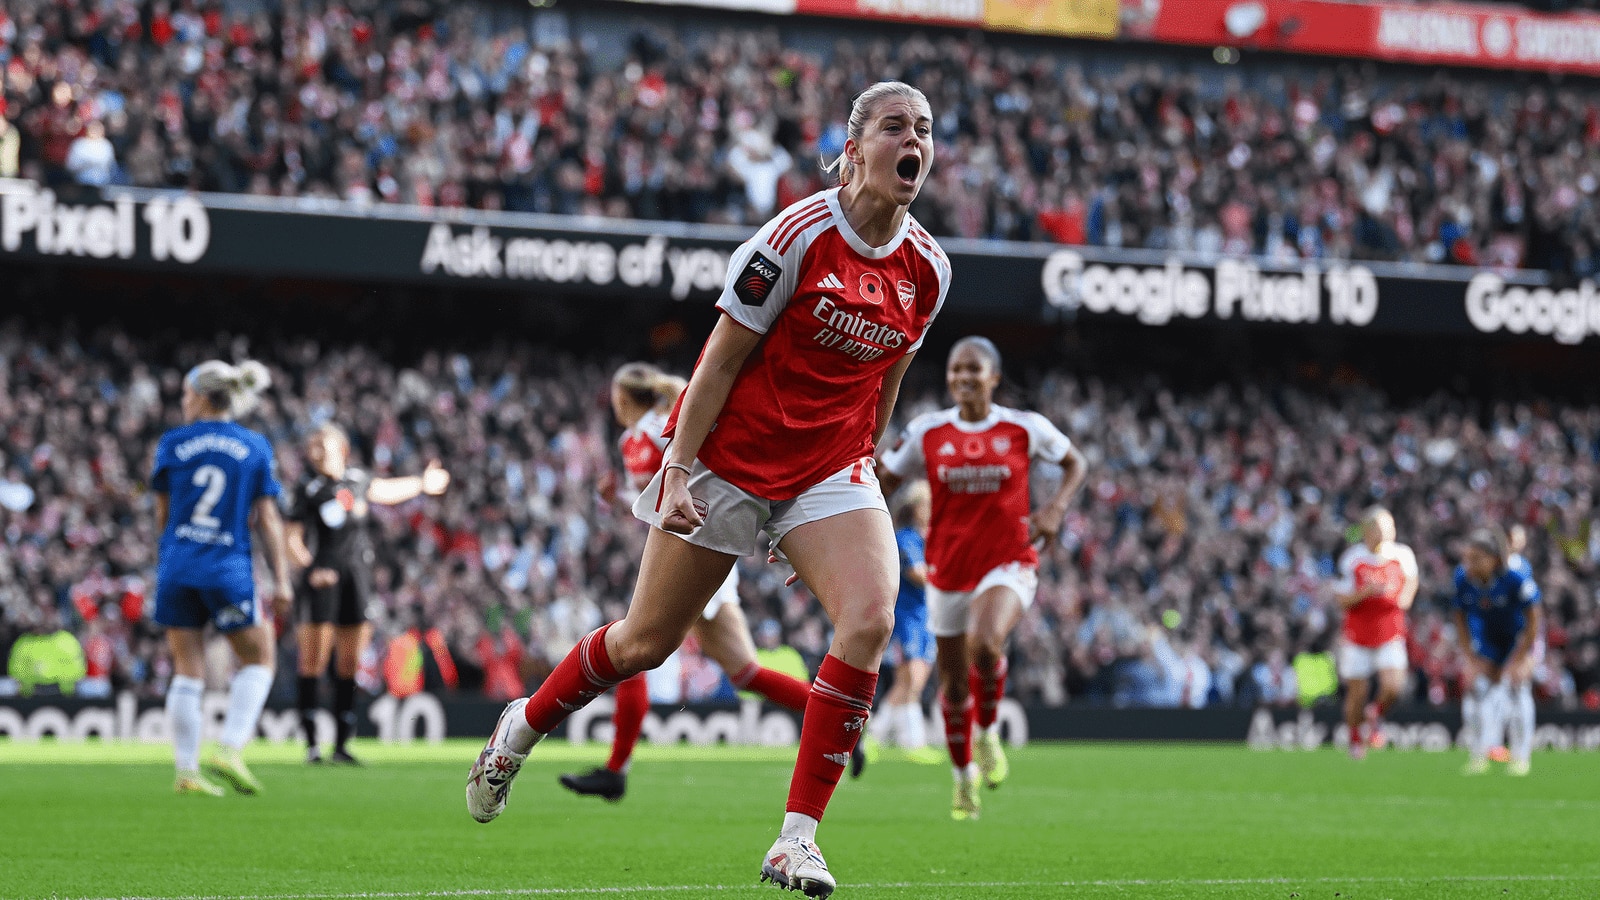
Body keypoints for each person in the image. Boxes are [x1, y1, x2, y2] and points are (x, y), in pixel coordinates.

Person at [467, 80, 949, 899]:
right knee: (644, 644)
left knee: (869, 618)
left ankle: (796, 841)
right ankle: (521, 727)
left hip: (829, 467)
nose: (914, 141)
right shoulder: (792, 238)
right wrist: (677, 469)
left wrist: (860, 473)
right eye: (896, 127)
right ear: (853, 147)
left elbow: (887, 381)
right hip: (731, 459)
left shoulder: (929, 269)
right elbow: (718, 363)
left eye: (925, 130)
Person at [559, 363, 859, 803]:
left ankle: (616, 770)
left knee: (631, 650)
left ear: (621, 400)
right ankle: (841, 721)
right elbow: (656, 497)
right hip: (690, 549)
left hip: (693, 552)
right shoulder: (648, 432)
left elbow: (681, 485)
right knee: (744, 672)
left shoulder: (649, 434)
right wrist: (620, 498)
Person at [878, 336, 1087, 820]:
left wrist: (1055, 508)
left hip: (1008, 561)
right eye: (956, 369)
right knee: (953, 687)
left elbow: (1076, 462)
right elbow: (884, 480)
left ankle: (988, 731)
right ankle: (962, 777)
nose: (964, 377)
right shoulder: (928, 432)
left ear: (994, 377)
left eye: (974, 369)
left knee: (987, 643)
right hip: (948, 570)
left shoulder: (1024, 427)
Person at [150, 360, 292, 796]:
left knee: (187, 668)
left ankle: (186, 770)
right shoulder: (253, 446)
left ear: (202, 396)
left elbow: (161, 515)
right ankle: (229, 748)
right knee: (260, 656)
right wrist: (281, 579)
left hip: (178, 565)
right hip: (227, 566)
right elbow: (268, 519)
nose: (183, 401)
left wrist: (173, 556)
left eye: (186, 394)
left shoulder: (173, 443)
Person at [286, 423, 449, 764]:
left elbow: (387, 490)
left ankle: (342, 744)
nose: (316, 452)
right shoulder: (307, 487)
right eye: (312, 447)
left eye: (322, 445)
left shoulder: (357, 480)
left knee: (349, 662)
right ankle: (311, 743)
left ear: (341, 449)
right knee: (314, 659)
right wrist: (311, 568)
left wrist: (422, 483)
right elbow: (292, 540)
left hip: (356, 578)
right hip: (323, 578)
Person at [1455, 527, 1543, 776]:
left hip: (1519, 638)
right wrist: (1470, 659)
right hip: (1487, 640)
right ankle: (1478, 756)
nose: (1468, 565)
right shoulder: (1462, 579)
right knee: (1475, 689)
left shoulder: (1516, 576)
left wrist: (1521, 659)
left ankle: (1521, 758)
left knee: (1517, 687)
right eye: (1467, 558)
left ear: (1492, 559)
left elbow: (1534, 619)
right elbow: (1459, 618)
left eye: (1475, 559)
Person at [1332, 506, 1418, 759]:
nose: (1389, 533)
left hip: (1390, 631)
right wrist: (1365, 593)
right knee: (1357, 692)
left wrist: (1405, 597)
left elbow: (1411, 580)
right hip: (1358, 635)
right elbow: (1341, 600)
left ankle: (1375, 714)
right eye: (1382, 528)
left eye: (1390, 527)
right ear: (1367, 530)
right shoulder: (1353, 559)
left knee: (1394, 686)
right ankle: (1355, 739)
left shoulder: (1402, 555)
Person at [869, 479, 941, 762]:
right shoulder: (906, 538)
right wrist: (947, 576)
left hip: (926, 617)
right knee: (910, 679)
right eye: (926, 504)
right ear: (915, 507)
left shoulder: (929, 538)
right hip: (907, 617)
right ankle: (909, 742)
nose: (930, 509)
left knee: (911, 682)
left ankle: (880, 738)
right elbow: (917, 574)